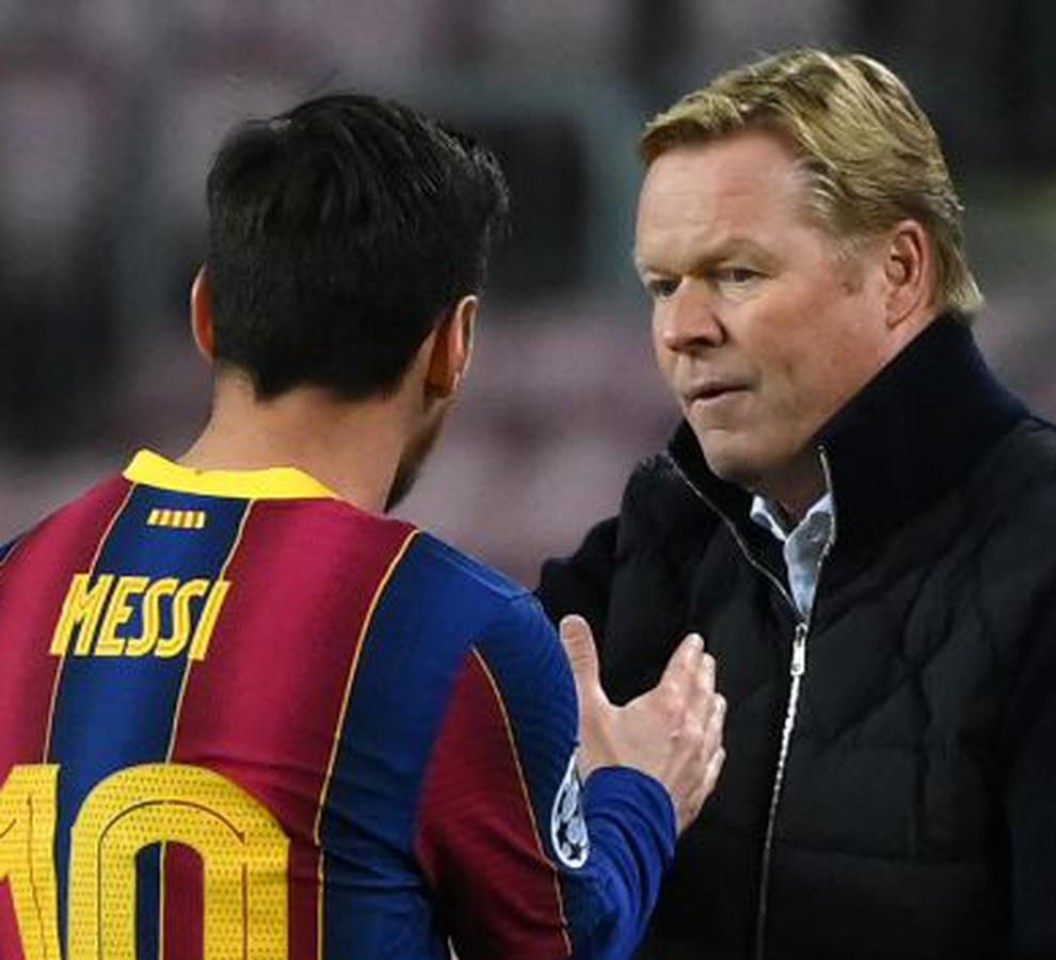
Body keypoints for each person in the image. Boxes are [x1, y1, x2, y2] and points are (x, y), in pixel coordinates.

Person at [539, 49, 1056, 960]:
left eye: (738, 274)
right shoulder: (665, 539)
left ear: (901, 272)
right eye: (662, 286)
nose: (682, 329)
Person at [0, 94, 726, 960]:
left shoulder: (16, 580)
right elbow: (565, 944)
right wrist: (639, 795)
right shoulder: (452, 631)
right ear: (454, 345)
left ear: (205, 315)